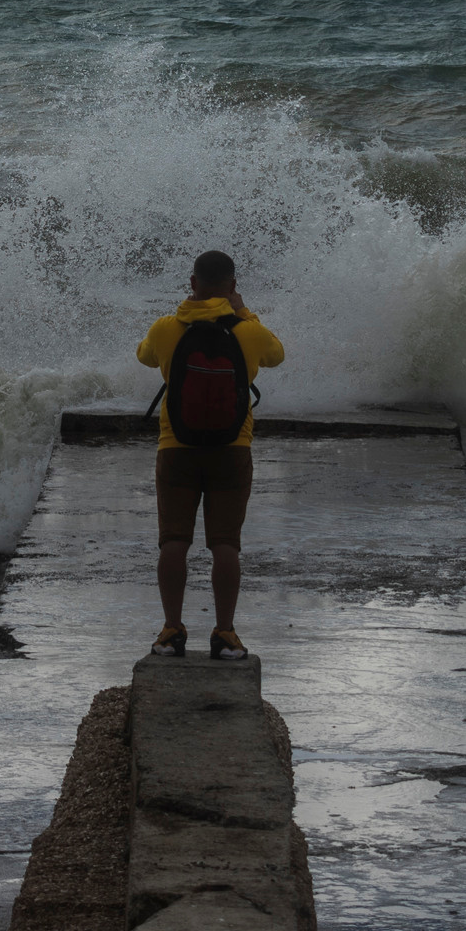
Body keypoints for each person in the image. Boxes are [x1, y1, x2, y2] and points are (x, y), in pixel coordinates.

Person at [136, 250, 285, 661]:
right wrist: (245, 312)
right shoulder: (247, 331)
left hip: (176, 449)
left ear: (192, 283)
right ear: (232, 286)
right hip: (232, 449)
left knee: (173, 542)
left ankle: (170, 632)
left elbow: (144, 355)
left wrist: (177, 323)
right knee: (225, 545)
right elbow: (276, 355)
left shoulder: (167, 328)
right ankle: (225, 634)